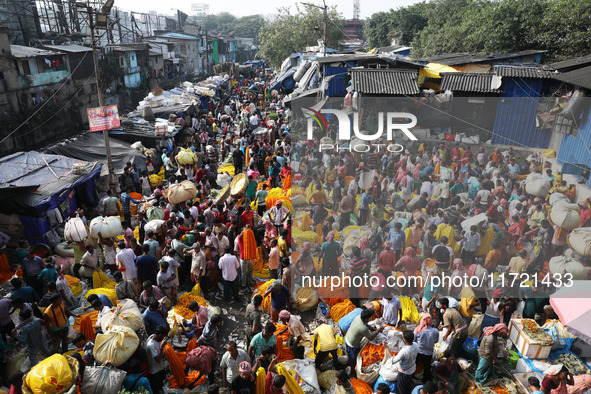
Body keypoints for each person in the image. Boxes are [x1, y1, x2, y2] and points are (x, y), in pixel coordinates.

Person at [392, 330, 419, 394]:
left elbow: (393, 360)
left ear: (404, 339)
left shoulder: (404, 351)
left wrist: (386, 348)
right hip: (412, 368)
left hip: (404, 373)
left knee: (401, 388)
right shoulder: (415, 345)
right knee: (408, 386)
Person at [415, 312, 438, 383]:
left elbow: (414, 341)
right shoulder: (435, 331)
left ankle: (413, 377)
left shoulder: (417, 330)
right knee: (427, 367)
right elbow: (436, 341)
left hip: (419, 351)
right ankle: (425, 380)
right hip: (429, 352)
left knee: (416, 364)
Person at [146, 325, 168, 394]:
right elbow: (158, 360)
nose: (163, 339)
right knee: (156, 388)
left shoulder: (155, 337)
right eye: (163, 337)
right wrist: (161, 347)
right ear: (160, 335)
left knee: (162, 384)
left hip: (161, 368)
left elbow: (162, 355)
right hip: (155, 372)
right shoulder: (151, 345)